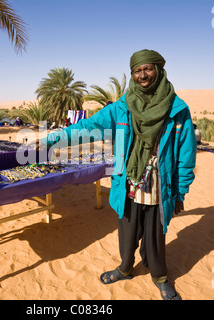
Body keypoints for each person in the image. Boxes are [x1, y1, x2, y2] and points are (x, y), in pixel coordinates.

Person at [37, 49, 197, 300]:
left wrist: (181, 192)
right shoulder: (122, 108)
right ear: (132, 74)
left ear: (159, 69)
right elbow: (88, 127)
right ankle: (125, 268)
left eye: (148, 68)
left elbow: (186, 155)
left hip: (159, 183)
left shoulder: (177, 110)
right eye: (137, 70)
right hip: (128, 181)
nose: (143, 75)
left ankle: (160, 276)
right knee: (127, 229)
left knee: (155, 233)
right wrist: (53, 139)